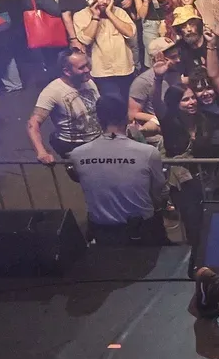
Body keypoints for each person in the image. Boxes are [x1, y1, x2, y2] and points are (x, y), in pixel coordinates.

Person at [68, 94, 167, 245]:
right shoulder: (148, 153)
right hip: (142, 231)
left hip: (102, 232)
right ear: (126, 117)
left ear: (99, 119)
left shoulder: (77, 155)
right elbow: (158, 191)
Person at [28, 48, 101, 163]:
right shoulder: (52, 91)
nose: (87, 70)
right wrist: (41, 152)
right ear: (67, 71)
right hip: (75, 147)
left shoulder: (89, 82)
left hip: (97, 141)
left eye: (87, 65)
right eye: (81, 67)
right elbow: (33, 124)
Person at [73, 0, 137, 99]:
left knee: (127, 104)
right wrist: (95, 17)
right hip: (101, 71)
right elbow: (85, 39)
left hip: (124, 69)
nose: (104, 2)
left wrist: (110, 14)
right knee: (110, 105)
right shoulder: (80, 15)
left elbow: (130, 33)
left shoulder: (120, 12)